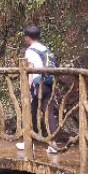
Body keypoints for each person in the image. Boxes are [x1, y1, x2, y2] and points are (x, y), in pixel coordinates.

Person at [16, 25, 58, 154]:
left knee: (29, 112)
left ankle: (28, 142)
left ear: (27, 37)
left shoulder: (30, 51)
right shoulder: (45, 49)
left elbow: (30, 70)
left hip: (37, 85)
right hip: (48, 84)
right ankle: (53, 144)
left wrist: (27, 89)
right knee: (48, 113)